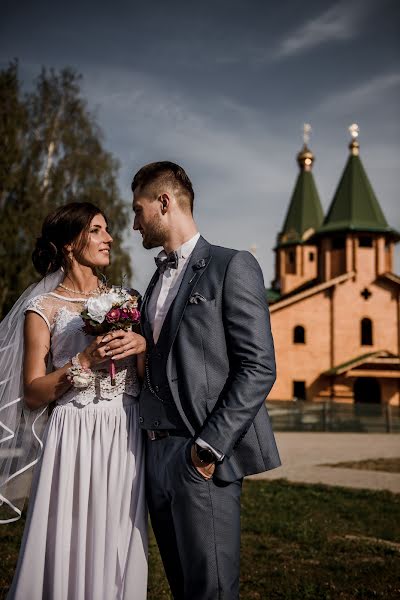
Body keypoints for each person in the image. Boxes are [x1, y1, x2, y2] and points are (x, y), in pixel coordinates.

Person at [130, 161, 281, 599]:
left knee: (210, 591)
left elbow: (258, 365)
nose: (134, 222)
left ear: (164, 202)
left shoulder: (232, 265)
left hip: (201, 457)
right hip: (154, 457)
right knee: (183, 588)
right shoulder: (156, 279)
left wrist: (207, 449)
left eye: (138, 210)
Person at [1, 202, 148, 600]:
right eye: (97, 230)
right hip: (74, 433)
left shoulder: (128, 299)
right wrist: (82, 361)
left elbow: (149, 376)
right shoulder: (43, 309)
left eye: (107, 229)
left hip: (124, 429)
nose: (109, 238)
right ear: (70, 244)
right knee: (71, 532)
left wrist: (142, 344)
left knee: (118, 529)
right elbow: (32, 393)